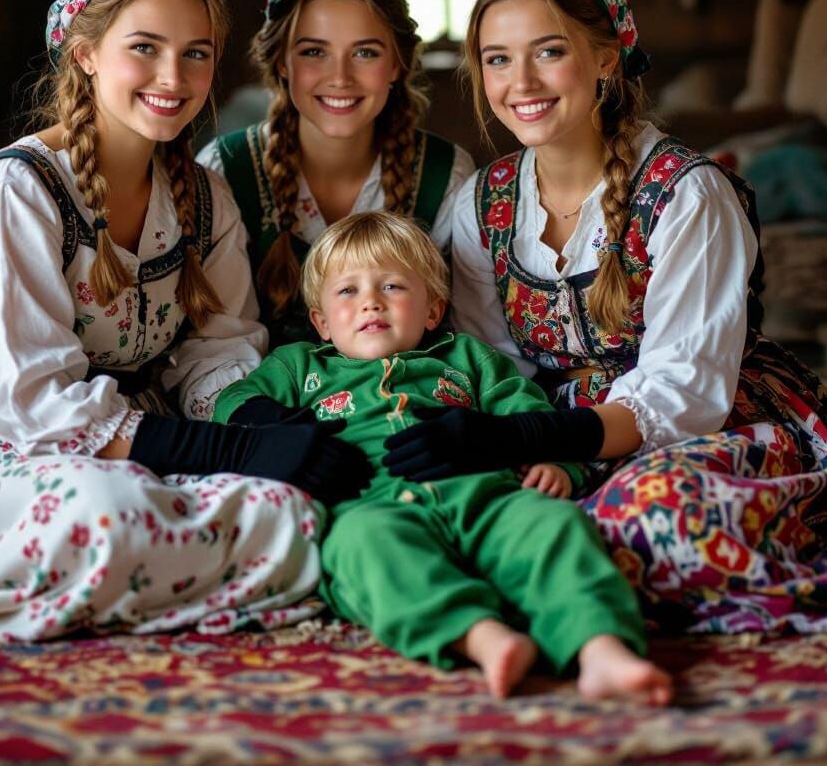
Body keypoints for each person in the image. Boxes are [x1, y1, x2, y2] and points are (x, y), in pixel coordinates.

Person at [0, 0, 371, 642]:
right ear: (86, 53)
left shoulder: (204, 197)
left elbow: (216, 349)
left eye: (196, 53)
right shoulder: (18, 190)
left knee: (293, 508)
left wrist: (259, 424)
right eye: (144, 47)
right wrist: (229, 454)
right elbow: (34, 403)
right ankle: (163, 559)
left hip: (146, 426)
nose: (173, 76)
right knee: (106, 516)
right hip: (4, 439)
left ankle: (159, 564)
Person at [395, 0, 827, 634]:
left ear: (606, 59)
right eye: (497, 59)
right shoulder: (482, 203)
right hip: (547, 430)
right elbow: (492, 362)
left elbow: (683, 391)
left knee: (642, 519)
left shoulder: (687, 193)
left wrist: (549, 443)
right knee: (432, 505)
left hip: (705, 423)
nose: (521, 82)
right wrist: (516, 445)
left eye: (549, 51)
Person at [213, 211, 673, 702]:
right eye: (347, 290)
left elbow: (526, 415)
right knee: (359, 550)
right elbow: (232, 403)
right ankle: (483, 639)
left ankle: (601, 646)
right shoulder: (298, 366)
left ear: (432, 311)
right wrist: (283, 430)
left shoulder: (468, 358)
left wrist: (557, 464)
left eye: (392, 286)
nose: (370, 301)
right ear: (321, 323)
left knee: (554, 526)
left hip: (485, 496)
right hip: (370, 506)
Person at [197, 0, 475, 348]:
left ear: (397, 64)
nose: (340, 77)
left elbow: (464, 338)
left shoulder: (445, 175)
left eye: (365, 53)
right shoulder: (225, 169)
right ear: (282, 61)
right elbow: (215, 343)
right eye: (314, 52)